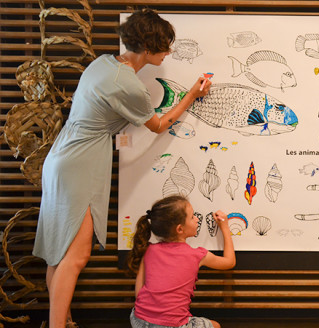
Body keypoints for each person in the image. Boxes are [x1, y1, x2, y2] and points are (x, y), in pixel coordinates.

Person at [32, 9, 211, 328]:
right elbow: (159, 125)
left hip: (63, 154)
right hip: (80, 163)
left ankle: (63, 320)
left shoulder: (103, 63)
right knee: (76, 257)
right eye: (165, 46)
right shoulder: (128, 85)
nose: (169, 52)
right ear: (148, 47)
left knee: (61, 252)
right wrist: (191, 96)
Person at [126, 195, 235, 328]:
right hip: (171, 325)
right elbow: (229, 262)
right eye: (192, 217)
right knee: (216, 325)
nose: (196, 219)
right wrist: (224, 227)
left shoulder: (149, 250)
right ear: (179, 229)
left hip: (139, 320)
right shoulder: (198, 255)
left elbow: (139, 293)